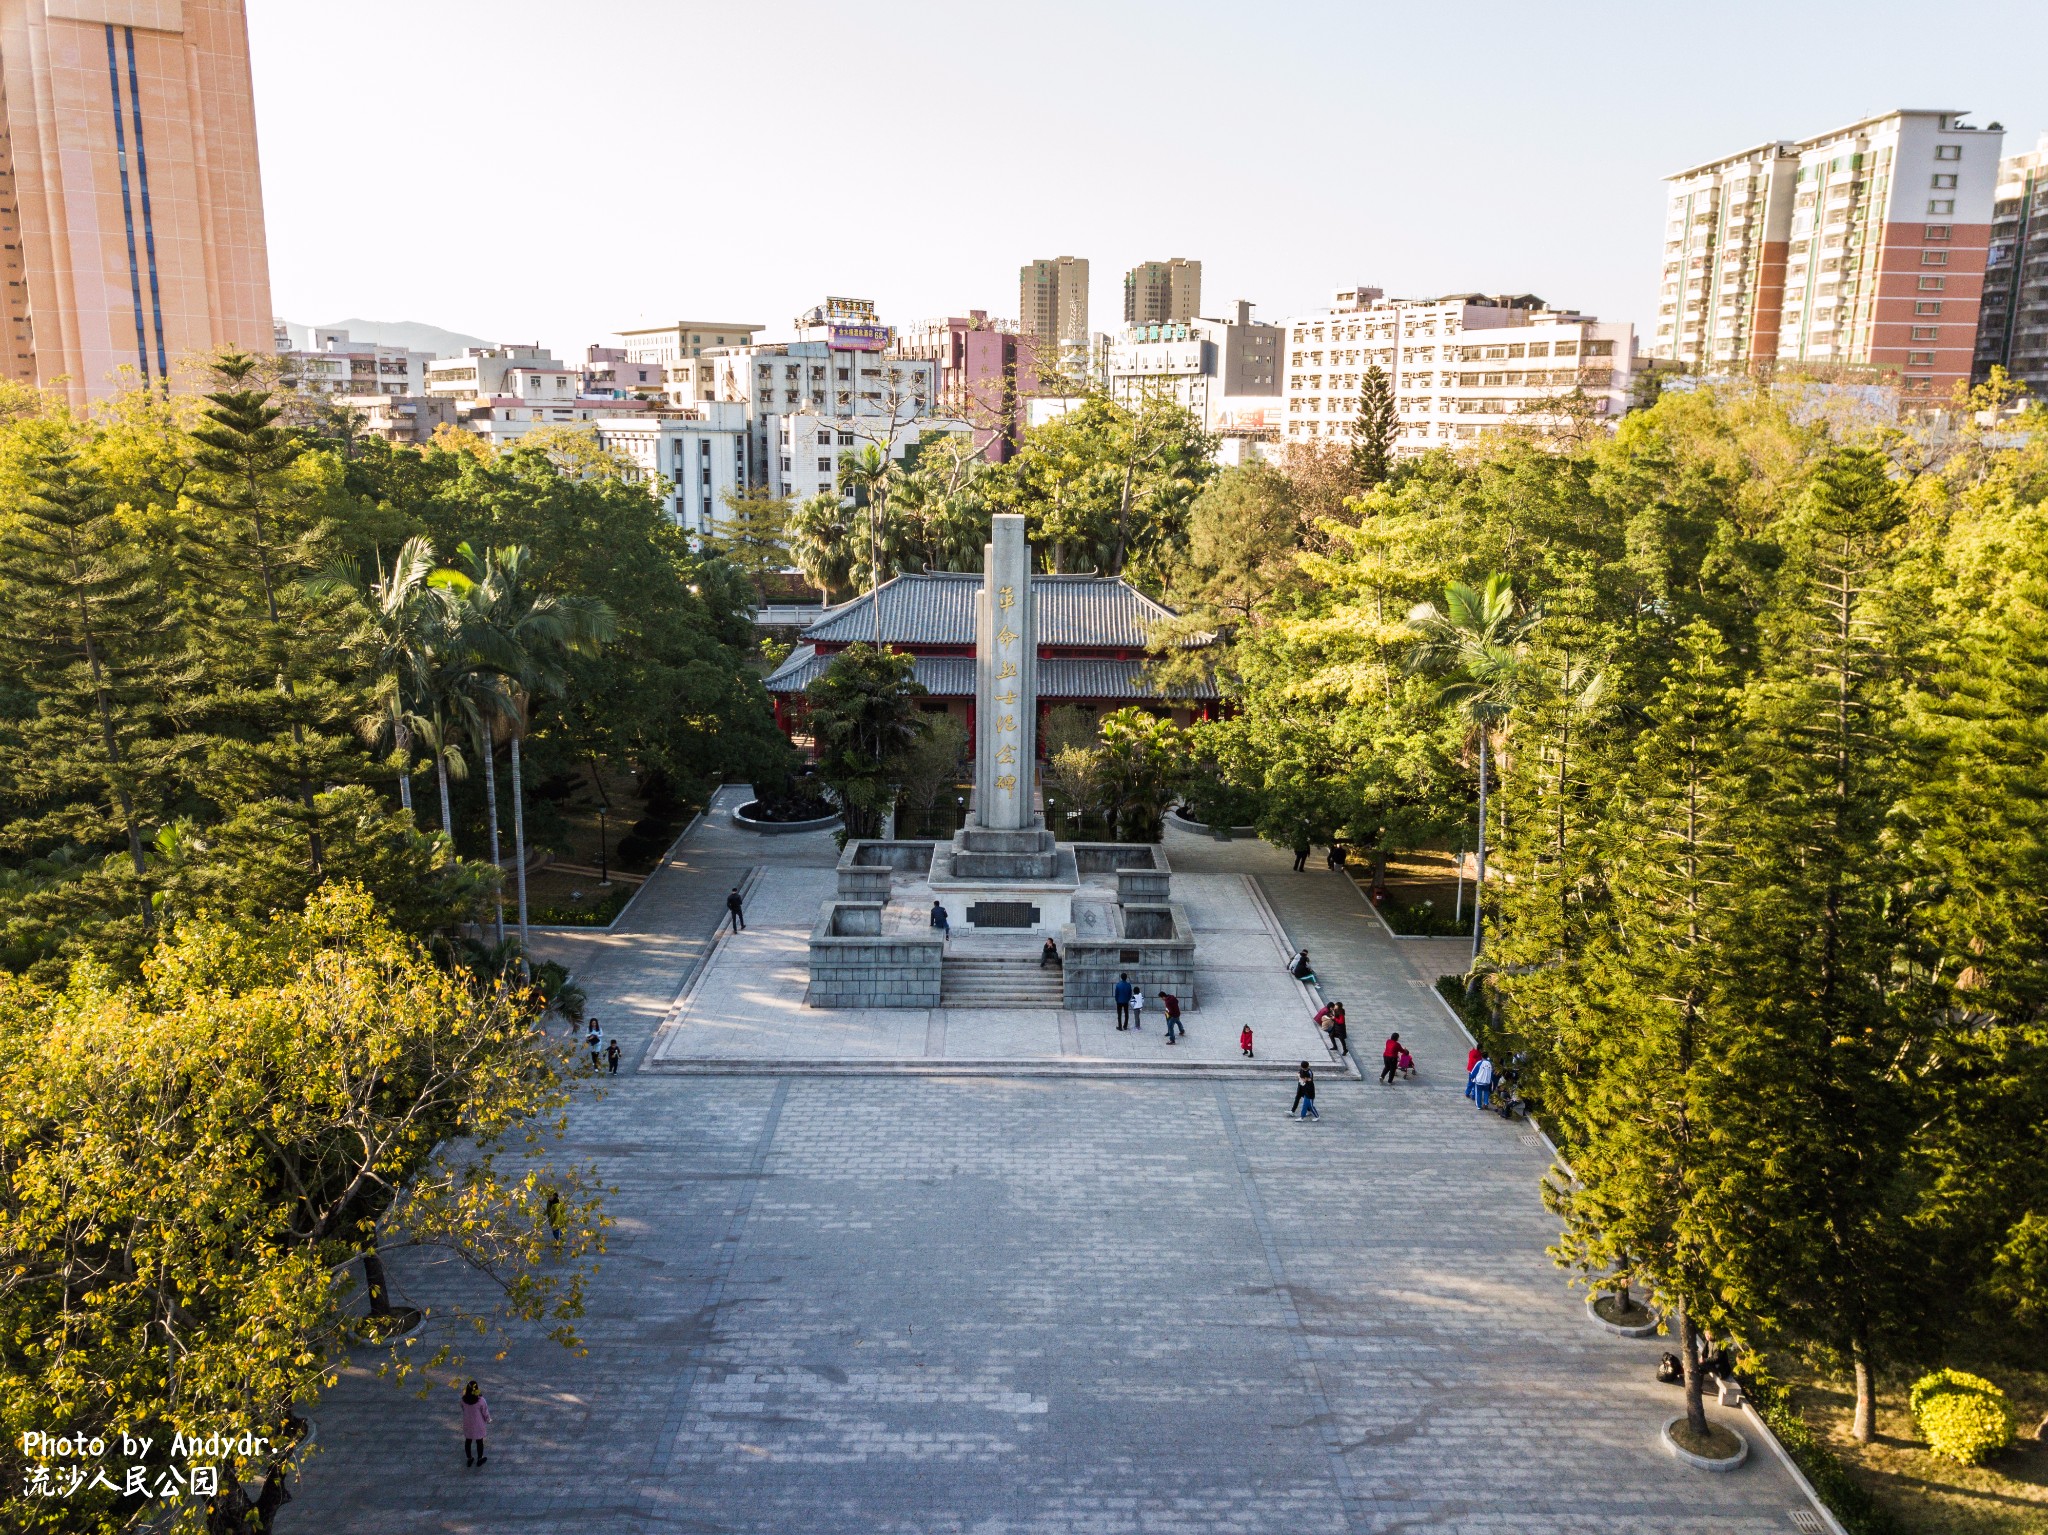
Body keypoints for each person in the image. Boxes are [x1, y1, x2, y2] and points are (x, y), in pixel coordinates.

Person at [461, 1380, 491, 1467]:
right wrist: (488, 1419)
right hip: (478, 1424)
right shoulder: (481, 1400)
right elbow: (485, 1412)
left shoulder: (463, 1400)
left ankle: (469, 1458)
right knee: (479, 1441)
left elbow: (463, 1408)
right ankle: (480, 1458)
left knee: (468, 1441)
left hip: (468, 1423)